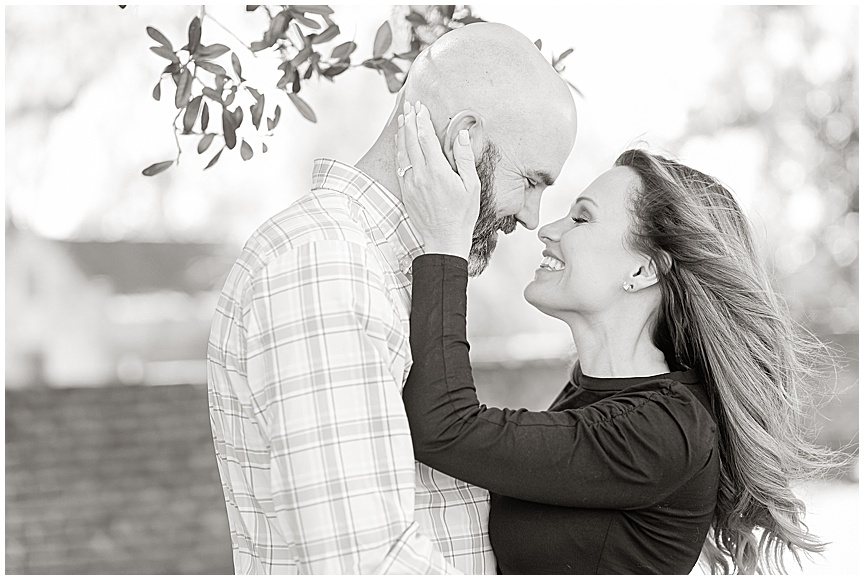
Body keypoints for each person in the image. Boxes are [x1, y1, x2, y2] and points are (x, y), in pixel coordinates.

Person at [396, 104, 837, 574]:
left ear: (642, 269)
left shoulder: (668, 430)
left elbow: (445, 427)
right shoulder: (593, 395)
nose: (547, 229)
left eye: (581, 219)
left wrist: (445, 242)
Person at [206, 22, 578, 574]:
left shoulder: (392, 269)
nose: (532, 216)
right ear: (464, 138)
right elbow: (366, 562)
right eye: (531, 180)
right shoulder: (324, 262)